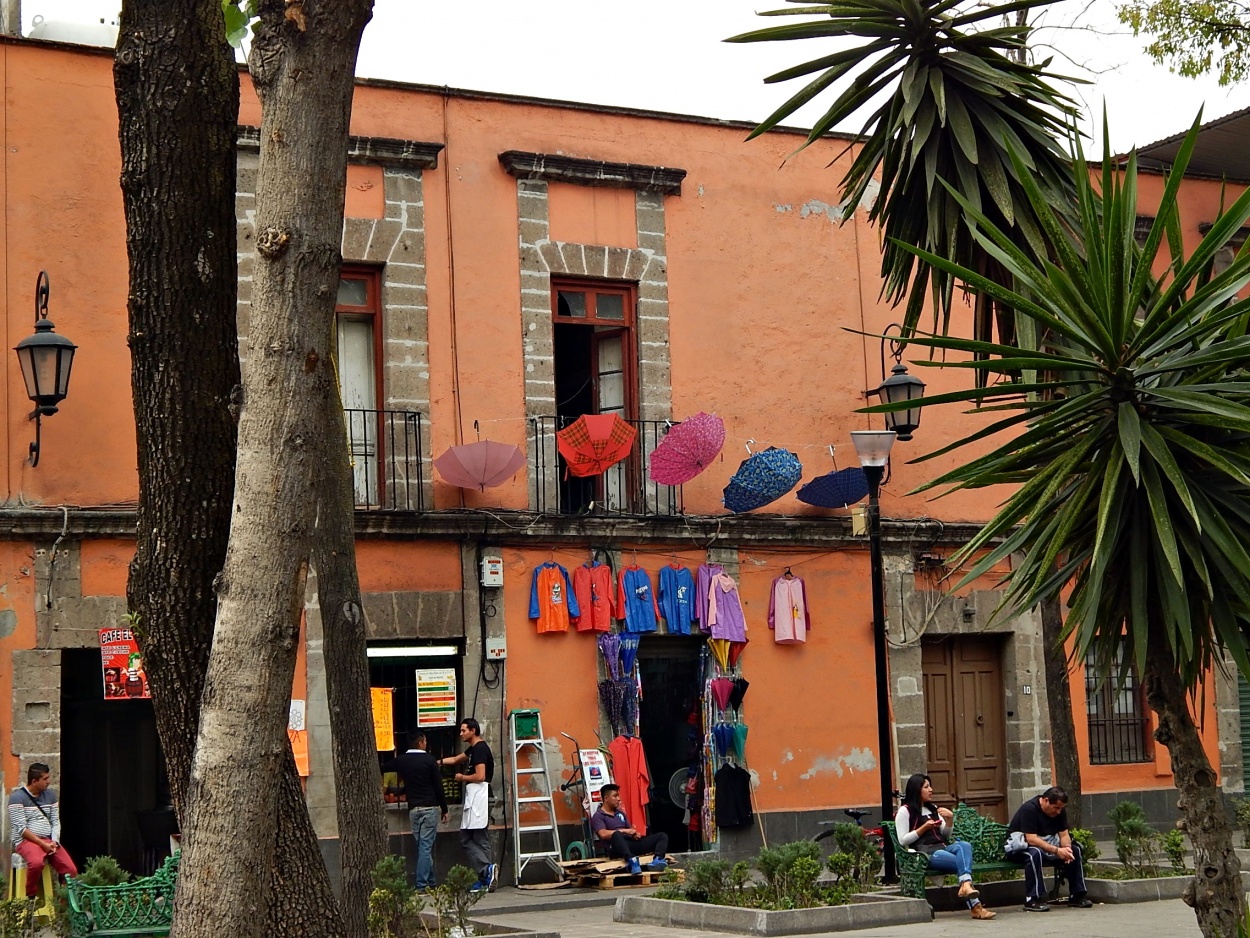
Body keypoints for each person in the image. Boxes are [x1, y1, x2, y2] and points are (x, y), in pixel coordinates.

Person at [894, 774, 995, 921]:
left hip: (943, 846)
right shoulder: (905, 811)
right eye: (926, 787)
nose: (931, 790)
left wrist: (949, 820)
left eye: (930, 786)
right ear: (917, 790)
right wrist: (923, 828)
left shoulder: (932, 808)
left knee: (964, 845)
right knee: (962, 864)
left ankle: (966, 886)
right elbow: (902, 840)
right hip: (926, 853)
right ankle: (976, 907)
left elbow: (945, 834)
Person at [1006, 786, 1091, 911]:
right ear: (1045, 801)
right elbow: (1031, 839)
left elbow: (1064, 834)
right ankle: (1033, 899)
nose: (1058, 812)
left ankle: (1077, 895)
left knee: (1075, 850)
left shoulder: (1060, 811)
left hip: (1046, 844)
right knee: (1034, 853)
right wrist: (1057, 851)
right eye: (1056, 808)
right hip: (1019, 846)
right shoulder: (1029, 809)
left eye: (1061, 808)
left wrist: (1066, 850)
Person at [382, 732, 448, 892]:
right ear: (420, 743)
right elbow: (438, 787)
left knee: (422, 846)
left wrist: (395, 790)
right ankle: (421, 885)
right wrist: (444, 808)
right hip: (429, 808)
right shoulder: (430, 760)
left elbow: (383, 767)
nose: (426, 743)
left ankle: (432, 883)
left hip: (413, 810)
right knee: (425, 847)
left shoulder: (402, 760)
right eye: (425, 741)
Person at [439, 718, 496, 893]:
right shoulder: (474, 749)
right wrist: (438, 762)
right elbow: (457, 759)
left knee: (475, 837)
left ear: (473, 730)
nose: (461, 733)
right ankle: (487, 874)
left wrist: (462, 778)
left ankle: (486, 872)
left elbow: (480, 776)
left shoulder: (479, 750)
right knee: (474, 837)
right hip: (476, 797)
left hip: (480, 796)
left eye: (464, 730)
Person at [8, 763, 78, 896]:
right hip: (26, 841)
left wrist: (54, 841)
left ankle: (64, 904)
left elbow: (55, 821)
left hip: (48, 840)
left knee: (70, 869)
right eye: (45, 779)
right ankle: (30, 894)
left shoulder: (50, 795)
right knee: (36, 863)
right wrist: (42, 844)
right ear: (34, 781)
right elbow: (21, 828)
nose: (48, 782)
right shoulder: (17, 798)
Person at [590, 783, 668, 875]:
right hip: (616, 848)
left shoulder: (620, 814)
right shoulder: (598, 816)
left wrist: (634, 834)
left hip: (630, 844)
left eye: (618, 795)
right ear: (606, 798)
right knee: (617, 835)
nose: (619, 799)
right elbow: (603, 834)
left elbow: (629, 830)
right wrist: (624, 831)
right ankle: (633, 862)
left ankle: (657, 860)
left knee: (661, 836)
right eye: (615, 796)